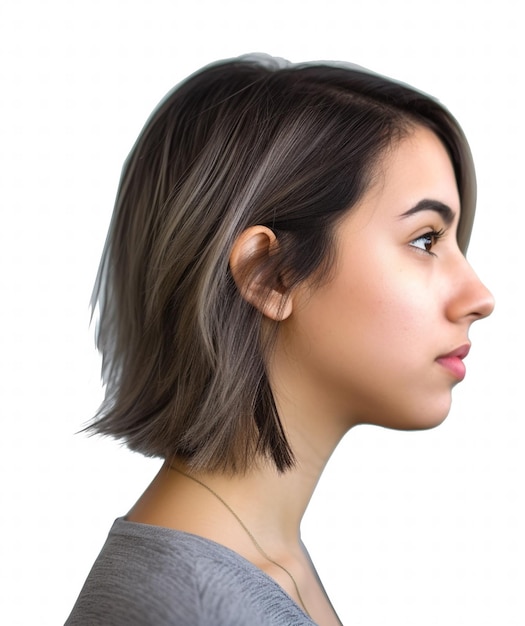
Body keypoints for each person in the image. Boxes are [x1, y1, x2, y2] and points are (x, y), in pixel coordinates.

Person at [66, 54, 494, 626]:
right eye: (424, 240)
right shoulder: (191, 611)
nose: (479, 297)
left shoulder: (263, 559)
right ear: (269, 274)